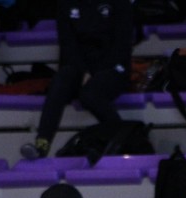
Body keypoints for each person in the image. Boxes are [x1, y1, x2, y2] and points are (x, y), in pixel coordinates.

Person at [19, 0, 133, 160]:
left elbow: (122, 44)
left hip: (113, 66)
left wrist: (95, 72)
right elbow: (68, 44)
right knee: (60, 81)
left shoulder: (119, 3)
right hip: (80, 65)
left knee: (90, 94)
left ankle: (124, 141)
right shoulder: (65, 3)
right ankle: (41, 145)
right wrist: (84, 70)